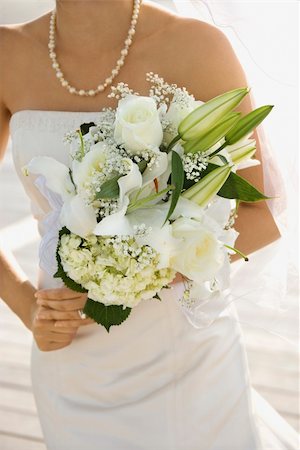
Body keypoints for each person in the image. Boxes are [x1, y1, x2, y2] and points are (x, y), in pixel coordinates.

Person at [0, 1, 293, 449]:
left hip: (185, 357)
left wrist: (141, 269)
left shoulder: (196, 46)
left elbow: (264, 211)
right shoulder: (8, 52)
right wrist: (26, 305)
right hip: (71, 356)